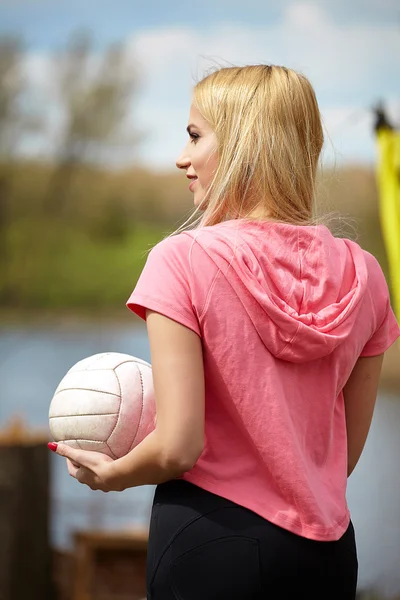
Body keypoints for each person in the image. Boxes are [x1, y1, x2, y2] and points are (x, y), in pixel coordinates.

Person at [50, 65, 400, 599]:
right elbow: (341, 453)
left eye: (194, 136)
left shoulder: (181, 260)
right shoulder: (365, 274)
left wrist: (113, 474)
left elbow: (178, 447)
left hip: (210, 544)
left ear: (244, 145)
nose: (180, 157)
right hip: (325, 555)